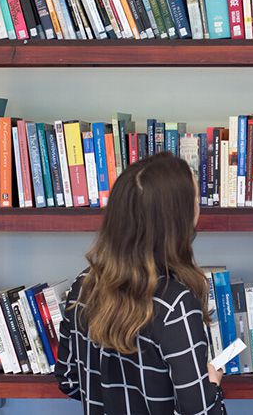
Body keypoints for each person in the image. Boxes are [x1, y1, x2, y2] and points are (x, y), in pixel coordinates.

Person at [55, 152, 225, 415]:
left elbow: (68, 379)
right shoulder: (175, 306)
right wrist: (212, 385)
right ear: (177, 221)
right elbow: (198, 411)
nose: (198, 207)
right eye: (194, 201)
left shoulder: (83, 286)